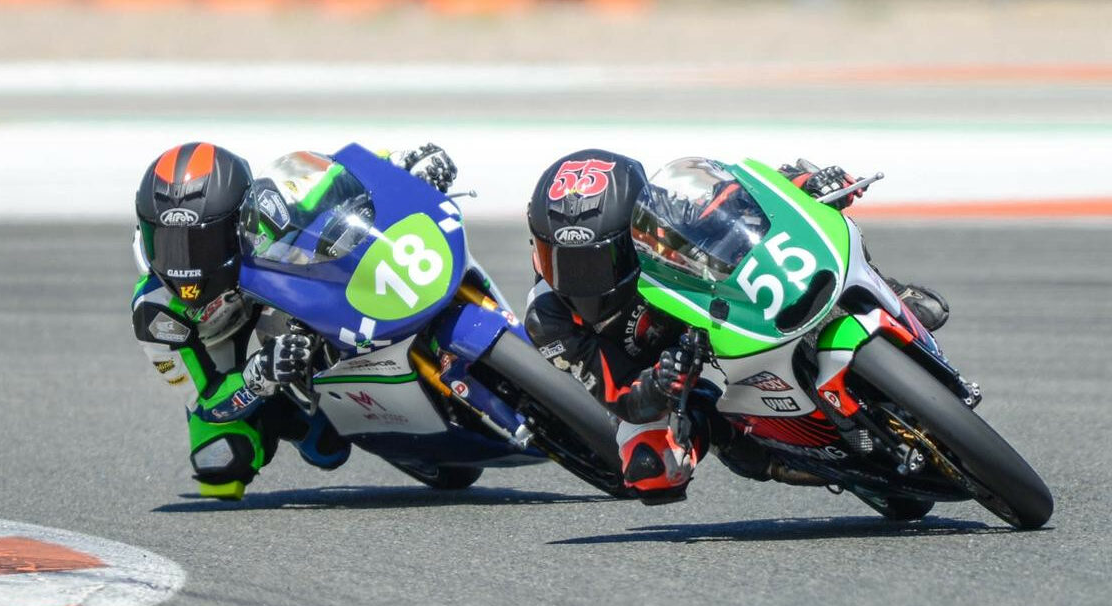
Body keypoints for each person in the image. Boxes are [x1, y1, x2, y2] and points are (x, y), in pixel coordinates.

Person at [522, 149, 952, 504]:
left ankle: (884, 292)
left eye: (596, 261)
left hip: (714, 305)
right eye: (558, 258)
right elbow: (619, 396)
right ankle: (755, 444)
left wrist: (804, 185)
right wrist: (659, 385)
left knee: (820, 226)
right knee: (650, 470)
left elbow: (742, 203)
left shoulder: (666, 211)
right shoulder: (548, 319)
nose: (577, 280)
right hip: (661, 372)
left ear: (632, 228)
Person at [131, 140, 457, 499]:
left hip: (273, 304)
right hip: (222, 358)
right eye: (167, 243)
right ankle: (301, 415)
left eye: (200, 244)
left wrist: (404, 162)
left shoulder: (268, 208)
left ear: (237, 220)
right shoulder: (155, 313)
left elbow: (340, 178)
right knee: (227, 462)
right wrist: (258, 377)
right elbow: (206, 401)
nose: (184, 263)